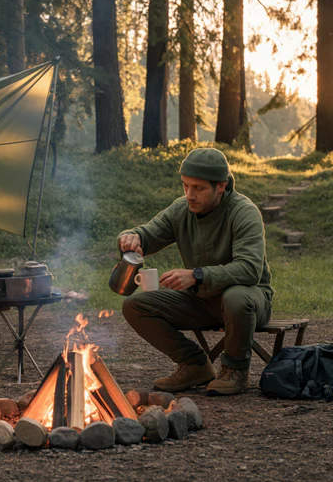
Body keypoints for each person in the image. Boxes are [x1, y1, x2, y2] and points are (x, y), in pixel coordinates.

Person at [117, 148, 272, 395]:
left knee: (236, 297)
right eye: (185, 186)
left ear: (220, 186)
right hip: (200, 299)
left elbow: (250, 269)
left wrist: (196, 275)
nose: (190, 195)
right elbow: (148, 234)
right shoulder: (181, 209)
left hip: (249, 300)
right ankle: (194, 364)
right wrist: (131, 237)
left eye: (198, 188)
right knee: (135, 305)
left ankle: (235, 369)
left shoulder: (244, 212)